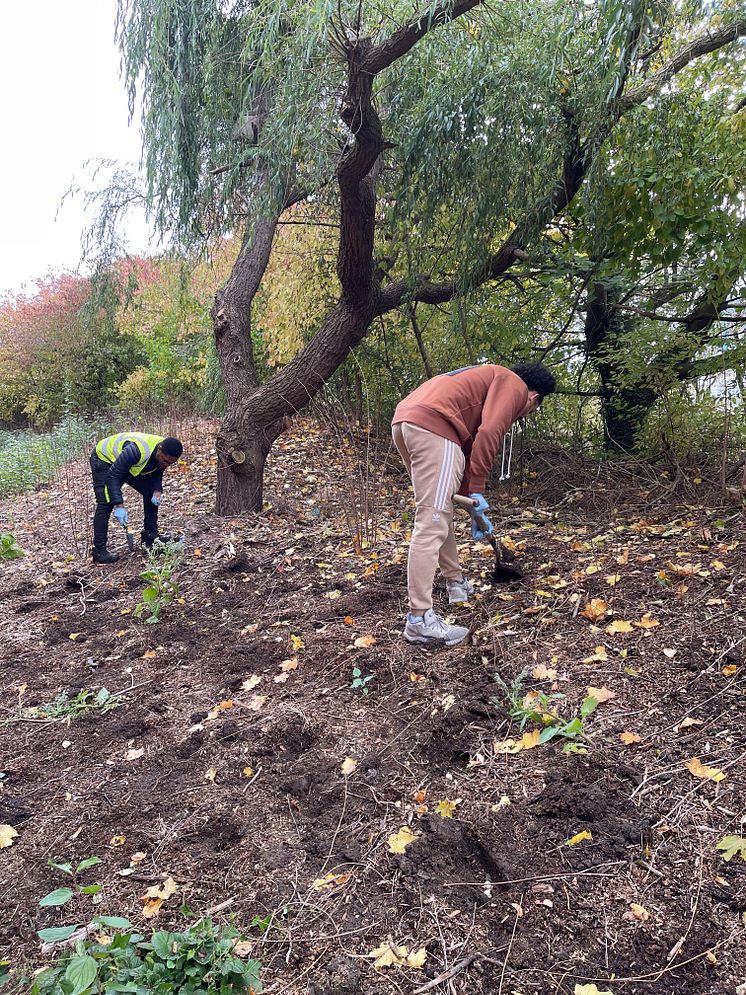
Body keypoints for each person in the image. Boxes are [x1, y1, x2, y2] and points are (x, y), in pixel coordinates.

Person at [392, 362, 556, 646]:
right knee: (431, 521)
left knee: (439, 514)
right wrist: (478, 490)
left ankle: (456, 583)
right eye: (535, 408)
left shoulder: (485, 380)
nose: (527, 413)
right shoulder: (513, 385)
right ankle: (419, 620)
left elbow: (469, 444)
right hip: (436, 427)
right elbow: (490, 432)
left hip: (406, 422)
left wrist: (469, 500)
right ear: (534, 398)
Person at [89, 432, 184, 564]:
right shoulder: (136, 451)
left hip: (128, 465)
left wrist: (157, 491)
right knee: (106, 501)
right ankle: (99, 551)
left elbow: (157, 472)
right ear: (159, 450)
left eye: (170, 463)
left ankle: (150, 538)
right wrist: (119, 505)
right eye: (165, 461)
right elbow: (113, 476)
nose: (166, 465)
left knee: (150, 492)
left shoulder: (165, 450)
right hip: (104, 460)